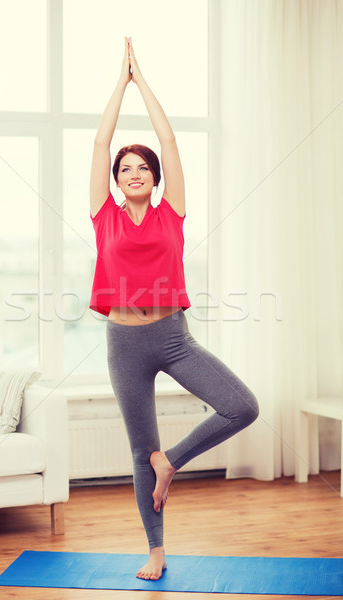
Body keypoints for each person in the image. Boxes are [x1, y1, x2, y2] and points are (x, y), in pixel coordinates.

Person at [89, 37, 259, 581]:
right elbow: (99, 144)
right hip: (124, 344)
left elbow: (168, 136)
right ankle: (156, 550)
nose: (133, 173)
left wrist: (145, 84)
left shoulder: (172, 213)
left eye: (143, 168)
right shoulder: (104, 217)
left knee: (242, 406)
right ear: (116, 182)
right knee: (142, 448)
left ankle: (172, 463)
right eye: (125, 170)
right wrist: (120, 83)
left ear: (155, 178)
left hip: (172, 337)